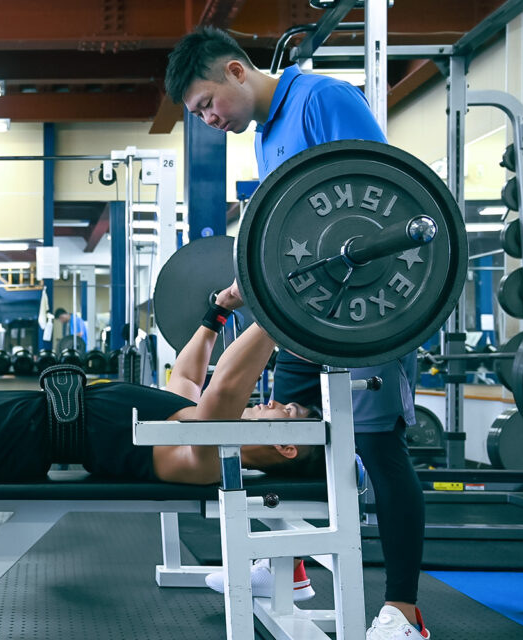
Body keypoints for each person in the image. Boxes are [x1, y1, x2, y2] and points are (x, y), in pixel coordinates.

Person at [0, 284, 323, 640]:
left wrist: (275, 306)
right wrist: (217, 313)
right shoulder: (194, 425)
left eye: (284, 408)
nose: (271, 401)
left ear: (287, 445)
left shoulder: (208, 456)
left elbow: (228, 384)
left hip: (21, 432)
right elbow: (190, 376)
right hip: (21, 416)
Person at [165, 27, 428, 640]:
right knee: (290, 436)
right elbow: (295, 238)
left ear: (235, 70)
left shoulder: (322, 100)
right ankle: (293, 567)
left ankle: (404, 612)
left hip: (366, 322)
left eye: (206, 105)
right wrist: (249, 289)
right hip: (301, 323)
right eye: (198, 115)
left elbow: (382, 202)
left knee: (378, 448)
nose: (208, 120)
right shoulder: (265, 136)